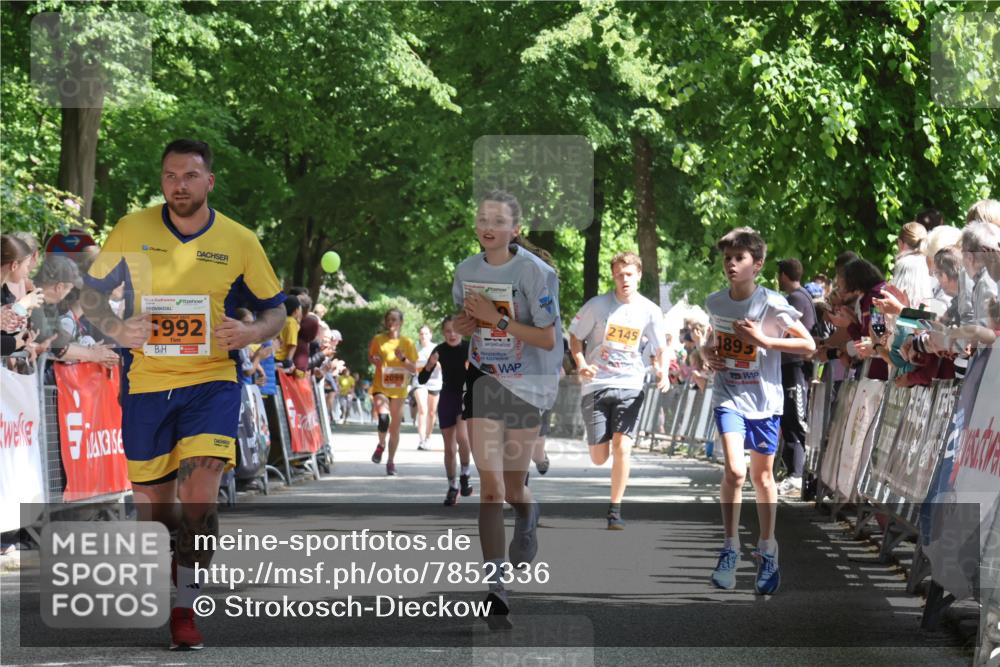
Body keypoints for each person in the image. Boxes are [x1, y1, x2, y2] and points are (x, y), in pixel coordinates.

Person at [79, 139, 286, 651]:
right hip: (148, 386)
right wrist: (116, 329)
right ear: (162, 180)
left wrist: (250, 333)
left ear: (209, 181)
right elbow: (90, 296)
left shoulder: (239, 240)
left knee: (200, 495)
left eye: (190, 175)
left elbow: (275, 311)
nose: (180, 185)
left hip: (212, 382)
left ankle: (185, 606)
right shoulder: (132, 227)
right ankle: (174, 565)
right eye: (171, 175)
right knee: (157, 517)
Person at [451, 190, 561, 629]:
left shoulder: (537, 273)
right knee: (491, 488)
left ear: (516, 229)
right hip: (484, 379)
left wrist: (497, 320)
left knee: (515, 492)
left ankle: (529, 513)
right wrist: (463, 325)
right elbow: (466, 322)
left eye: (498, 219)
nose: (487, 224)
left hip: (527, 385)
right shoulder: (464, 271)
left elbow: (548, 339)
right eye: (481, 217)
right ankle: (496, 589)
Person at [702, 227, 815, 595]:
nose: (731, 265)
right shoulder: (715, 302)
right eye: (727, 259)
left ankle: (768, 548)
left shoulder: (772, 303)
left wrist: (764, 340)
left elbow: (808, 344)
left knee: (762, 478)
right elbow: (708, 342)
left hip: (765, 400)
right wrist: (707, 354)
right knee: (735, 470)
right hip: (728, 394)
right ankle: (730, 546)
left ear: (758, 265)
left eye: (739, 259)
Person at [569, 251, 667, 529]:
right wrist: (581, 363)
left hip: (630, 384)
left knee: (623, 446)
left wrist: (661, 369)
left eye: (629, 274)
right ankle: (604, 446)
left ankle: (615, 509)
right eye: (618, 274)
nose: (623, 279)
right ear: (613, 276)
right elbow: (575, 338)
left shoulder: (650, 310)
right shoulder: (597, 306)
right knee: (599, 457)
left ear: (638, 275)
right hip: (597, 385)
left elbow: (661, 347)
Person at [418, 316, 474, 505]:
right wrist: (430, 364)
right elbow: (422, 379)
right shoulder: (439, 350)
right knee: (449, 447)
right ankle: (452, 486)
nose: (452, 334)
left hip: (465, 396)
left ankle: (465, 472)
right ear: (443, 333)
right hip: (448, 397)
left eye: (455, 330)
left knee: (462, 437)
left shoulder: (469, 347)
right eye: (448, 331)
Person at [775, 258, 818, 498]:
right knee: (788, 421)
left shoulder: (797, 299)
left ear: (783, 275)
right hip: (789, 365)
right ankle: (793, 471)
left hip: (795, 366)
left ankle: (800, 474)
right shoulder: (796, 298)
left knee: (796, 420)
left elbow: (804, 332)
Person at [368, 308, 417, 475]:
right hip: (381, 386)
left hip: (399, 389)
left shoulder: (408, 343)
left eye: (395, 320)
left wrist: (403, 358)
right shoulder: (378, 340)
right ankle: (381, 445)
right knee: (383, 418)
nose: (391, 323)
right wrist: (375, 360)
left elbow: (413, 369)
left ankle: (390, 461)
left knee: (395, 428)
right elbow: (372, 357)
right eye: (389, 319)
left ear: (401, 323)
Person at [413, 324, 442, 450]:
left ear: (430, 335)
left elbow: (442, 365)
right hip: (419, 382)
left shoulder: (437, 348)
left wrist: (432, 364)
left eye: (426, 333)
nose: (423, 336)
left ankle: (428, 438)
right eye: (421, 334)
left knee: (431, 412)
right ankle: (421, 440)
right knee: (422, 410)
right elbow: (410, 365)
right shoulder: (414, 349)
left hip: (435, 382)